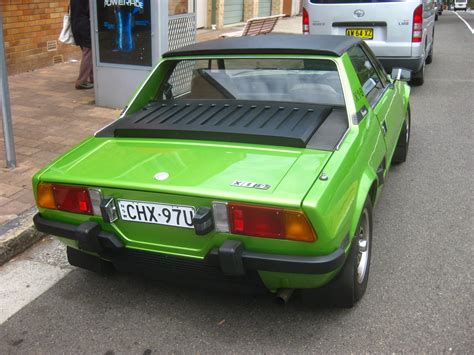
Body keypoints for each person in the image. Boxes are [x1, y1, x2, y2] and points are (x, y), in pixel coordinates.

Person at [70, 0, 93, 90]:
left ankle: (92, 77)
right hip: (85, 26)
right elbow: (91, 11)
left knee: (88, 52)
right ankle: (81, 81)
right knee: (88, 52)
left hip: (76, 25)